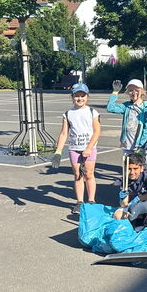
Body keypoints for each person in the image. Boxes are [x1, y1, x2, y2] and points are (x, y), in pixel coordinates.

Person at [51, 83, 101, 214]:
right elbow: (63, 134)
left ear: (87, 97)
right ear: (72, 97)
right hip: (74, 149)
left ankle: (91, 201)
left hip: (89, 149)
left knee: (89, 174)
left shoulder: (92, 112)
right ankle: (79, 202)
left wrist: (89, 148)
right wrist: (58, 151)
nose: (80, 98)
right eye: (76, 96)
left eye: (82, 96)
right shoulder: (68, 114)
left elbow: (97, 131)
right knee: (78, 175)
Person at [107, 79, 147, 156]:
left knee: (138, 167)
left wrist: (142, 145)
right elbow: (110, 108)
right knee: (127, 166)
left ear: (142, 91)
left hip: (139, 146)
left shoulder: (146, 107)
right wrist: (115, 93)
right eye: (130, 90)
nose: (133, 93)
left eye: (136, 90)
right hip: (127, 145)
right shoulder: (127, 106)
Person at [113, 153, 147, 226]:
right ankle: (134, 223)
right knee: (117, 215)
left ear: (141, 168)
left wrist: (139, 198)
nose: (132, 172)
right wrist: (122, 199)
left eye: (135, 169)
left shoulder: (146, 176)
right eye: (129, 169)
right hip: (135, 205)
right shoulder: (125, 180)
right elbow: (124, 204)